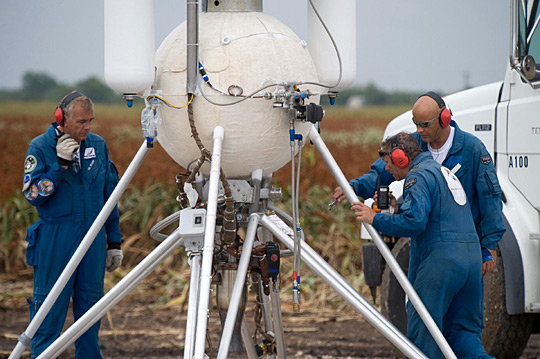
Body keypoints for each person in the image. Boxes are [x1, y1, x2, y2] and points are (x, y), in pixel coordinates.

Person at [353, 132, 493, 359]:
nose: (387, 169)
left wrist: (374, 218)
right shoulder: (442, 171)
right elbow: (435, 213)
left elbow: (414, 222)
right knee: (463, 336)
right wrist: (398, 209)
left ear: (401, 158)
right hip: (471, 262)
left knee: (424, 337)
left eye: (388, 163)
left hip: (442, 262)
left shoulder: (416, 177)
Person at [333, 91, 505, 275]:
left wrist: (488, 245)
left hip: (462, 245)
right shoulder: (414, 144)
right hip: (425, 243)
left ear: (444, 119)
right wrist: (354, 186)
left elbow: (490, 198)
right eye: (416, 124)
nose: (419, 130)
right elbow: (382, 171)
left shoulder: (473, 149)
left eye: (425, 125)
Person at [22, 91, 123, 358]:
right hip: (56, 239)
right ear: (61, 118)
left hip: (93, 241)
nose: (87, 127)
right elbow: (33, 195)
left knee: (90, 313)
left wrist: (113, 241)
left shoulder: (97, 146)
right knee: (48, 312)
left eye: (90, 120)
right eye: (81, 121)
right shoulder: (40, 147)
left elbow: (109, 196)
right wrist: (59, 166)